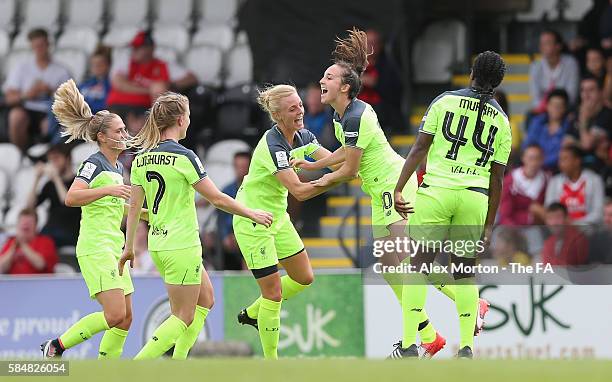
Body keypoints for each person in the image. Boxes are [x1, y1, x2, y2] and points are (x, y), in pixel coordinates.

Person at [293, 28, 482, 358]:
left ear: (345, 87)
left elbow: (348, 170)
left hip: (395, 185)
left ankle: (466, 303)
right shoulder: (341, 118)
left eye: (328, 77)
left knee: (409, 262)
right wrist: (310, 155)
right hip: (379, 189)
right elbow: (342, 156)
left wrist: (313, 180)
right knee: (389, 266)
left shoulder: (356, 116)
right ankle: (430, 334)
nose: (321, 81)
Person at [119, 91, 273, 360]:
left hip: (159, 244)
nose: (190, 120)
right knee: (182, 316)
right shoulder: (185, 157)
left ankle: (179, 364)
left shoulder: (141, 159)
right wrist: (251, 213)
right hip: (182, 244)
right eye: (188, 115)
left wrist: (129, 247)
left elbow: (134, 209)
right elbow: (216, 198)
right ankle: (136, 366)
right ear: (180, 120)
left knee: (207, 300)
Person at [393, 51, 511, 358]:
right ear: (498, 83)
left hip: (437, 192)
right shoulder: (502, 120)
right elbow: (497, 179)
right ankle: (468, 348)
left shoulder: (444, 101)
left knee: (418, 267)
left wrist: (399, 186)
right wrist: (488, 224)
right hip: (474, 198)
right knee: (463, 271)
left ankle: (408, 344)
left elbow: (420, 147)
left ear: (472, 73)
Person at [40, 79, 148, 359]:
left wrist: (147, 215)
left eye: (125, 129)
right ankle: (56, 346)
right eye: (119, 130)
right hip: (96, 246)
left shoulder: (115, 166)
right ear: (102, 136)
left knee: (126, 319)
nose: (125, 134)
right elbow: (72, 197)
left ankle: (105, 372)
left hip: (114, 247)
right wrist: (110, 189)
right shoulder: (94, 163)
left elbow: (112, 205)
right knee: (114, 315)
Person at [232, 84, 340, 359]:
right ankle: (272, 364)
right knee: (273, 294)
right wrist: (333, 178)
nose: (300, 110)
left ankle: (255, 314)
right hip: (253, 219)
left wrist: (359, 163)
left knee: (304, 277)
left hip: (277, 217)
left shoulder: (302, 135)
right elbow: (300, 191)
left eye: (300, 105)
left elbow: (332, 160)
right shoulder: (273, 145)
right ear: (278, 115)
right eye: (293, 108)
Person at [2, 28, 70, 150]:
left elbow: (70, 100)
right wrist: (28, 94)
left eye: (42, 45)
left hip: (50, 110)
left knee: (52, 122)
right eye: (36, 46)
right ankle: (20, 153)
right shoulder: (22, 68)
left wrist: (50, 91)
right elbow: (9, 98)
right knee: (16, 116)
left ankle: (45, 154)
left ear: (48, 45)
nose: (39, 49)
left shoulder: (61, 70)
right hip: (27, 108)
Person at [106, 30, 169, 136]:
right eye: (133, 47)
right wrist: (148, 90)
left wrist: (170, 86)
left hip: (144, 109)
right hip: (119, 108)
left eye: (139, 47)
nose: (134, 51)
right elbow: (119, 84)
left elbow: (190, 78)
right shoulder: (127, 62)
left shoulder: (161, 64)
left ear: (151, 48)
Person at [48, 45, 113, 143]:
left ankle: (51, 148)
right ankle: (49, 137)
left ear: (108, 66)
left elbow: (106, 106)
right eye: (94, 65)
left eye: (100, 64)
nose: (96, 68)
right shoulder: (86, 84)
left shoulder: (110, 85)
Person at [27, 144, 81, 247]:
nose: (53, 163)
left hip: (70, 231)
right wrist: (37, 179)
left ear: (68, 159)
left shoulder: (79, 181)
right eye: (51, 159)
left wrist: (56, 178)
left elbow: (67, 203)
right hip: (50, 230)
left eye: (56, 158)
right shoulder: (50, 184)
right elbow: (30, 206)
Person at [544, 145, 604, 225]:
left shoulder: (595, 180)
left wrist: (575, 224)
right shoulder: (554, 182)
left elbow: (598, 213)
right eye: (560, 160)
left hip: (589, 232)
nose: (560, 164)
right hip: (561, 230)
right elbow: (550, 210)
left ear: (577, 161)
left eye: (564, 159)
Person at [529, 29, 580, 112]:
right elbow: (535, 97)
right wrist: (547, 109)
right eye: (541, 43)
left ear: (558, 46)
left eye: (547, 43)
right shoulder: (535, 66)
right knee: (530, 116)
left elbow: (572, 96)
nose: (542, 47)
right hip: (543, 110)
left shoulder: (571, 63)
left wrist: (557, 108)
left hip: (565, 109)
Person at [217, 151, 251, 270]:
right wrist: (225, 236)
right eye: (237, 166)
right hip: (232, 234)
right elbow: (221, 218)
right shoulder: (227, 190)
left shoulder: (257, 189)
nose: (240, 170)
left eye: (243, 166)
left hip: (252, 232)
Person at [522, 89, 572, 170]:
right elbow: (528, 145)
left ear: (565, 108)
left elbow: (561, 155)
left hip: (556, 170)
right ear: (547, 106)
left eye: (559, 106)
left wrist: (540, 163)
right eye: (553, 105)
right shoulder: (537, 122)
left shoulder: (569, 127)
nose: (555, 108)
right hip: (533, 167)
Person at [499, 144, 548, 226]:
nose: (534, 163)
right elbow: (505, 215)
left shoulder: (546, 180)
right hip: (514, 227)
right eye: (531, 158)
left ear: (543, 159)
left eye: (537, 158)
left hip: (538, 228)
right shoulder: (511, 181)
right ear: (523, 158)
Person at [0, 208, 58, 274]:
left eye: (29, 222)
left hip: (40, 282)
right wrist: (12, 249)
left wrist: (23, 244)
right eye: (22, 222)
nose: (25, 224)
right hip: (14, 283)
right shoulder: (11, 242)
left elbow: (40, 265)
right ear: (17, 225)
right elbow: (1, 268)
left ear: (36, 226)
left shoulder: (46, 241)